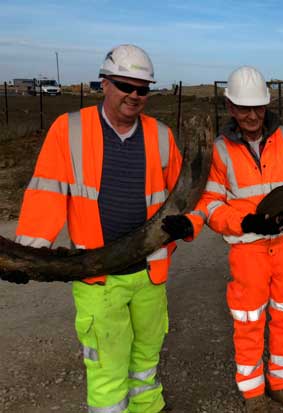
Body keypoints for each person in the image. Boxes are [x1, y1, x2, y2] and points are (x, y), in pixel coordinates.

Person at [11, 44, 196, 413]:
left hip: (150, 271)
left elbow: (185, 196)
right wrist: (26, 256)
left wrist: (186, 224)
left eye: (142, 88)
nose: (134, 95)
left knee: (146, 355)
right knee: (107, 363)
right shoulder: (70, 130)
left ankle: (148, 407)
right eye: (125, 85)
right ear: (104, 83)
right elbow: (46, 191)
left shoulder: (160, 135)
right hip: (98, 274)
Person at [193, 66, 283, 413]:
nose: (252, 115)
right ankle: (252, 392)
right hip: (247, 249)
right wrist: (245, 221)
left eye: (258, 107)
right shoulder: (219, 151)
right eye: (244, 108)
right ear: (230, 107)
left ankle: (281, 383)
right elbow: (212, 205)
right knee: (249, 319)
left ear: (267, 106)